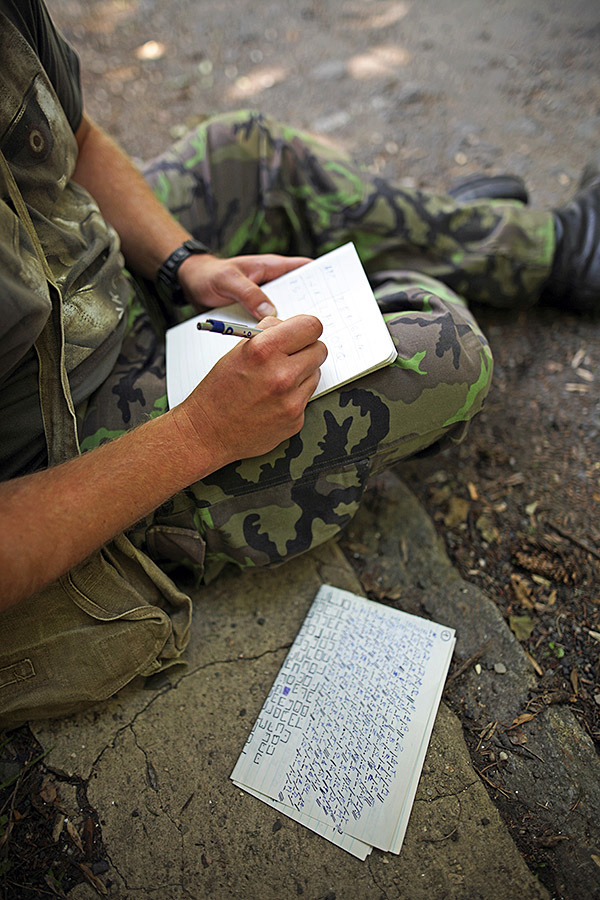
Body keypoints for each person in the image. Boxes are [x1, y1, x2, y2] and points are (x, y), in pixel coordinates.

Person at [0, 0, 598, 724]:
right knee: (447, 353)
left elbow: (81, 138)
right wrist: (201, 434)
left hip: (103, 283)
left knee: (248, 148)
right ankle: (436, 252)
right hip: (69, 456)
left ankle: (549, 249)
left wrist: (184, 264)